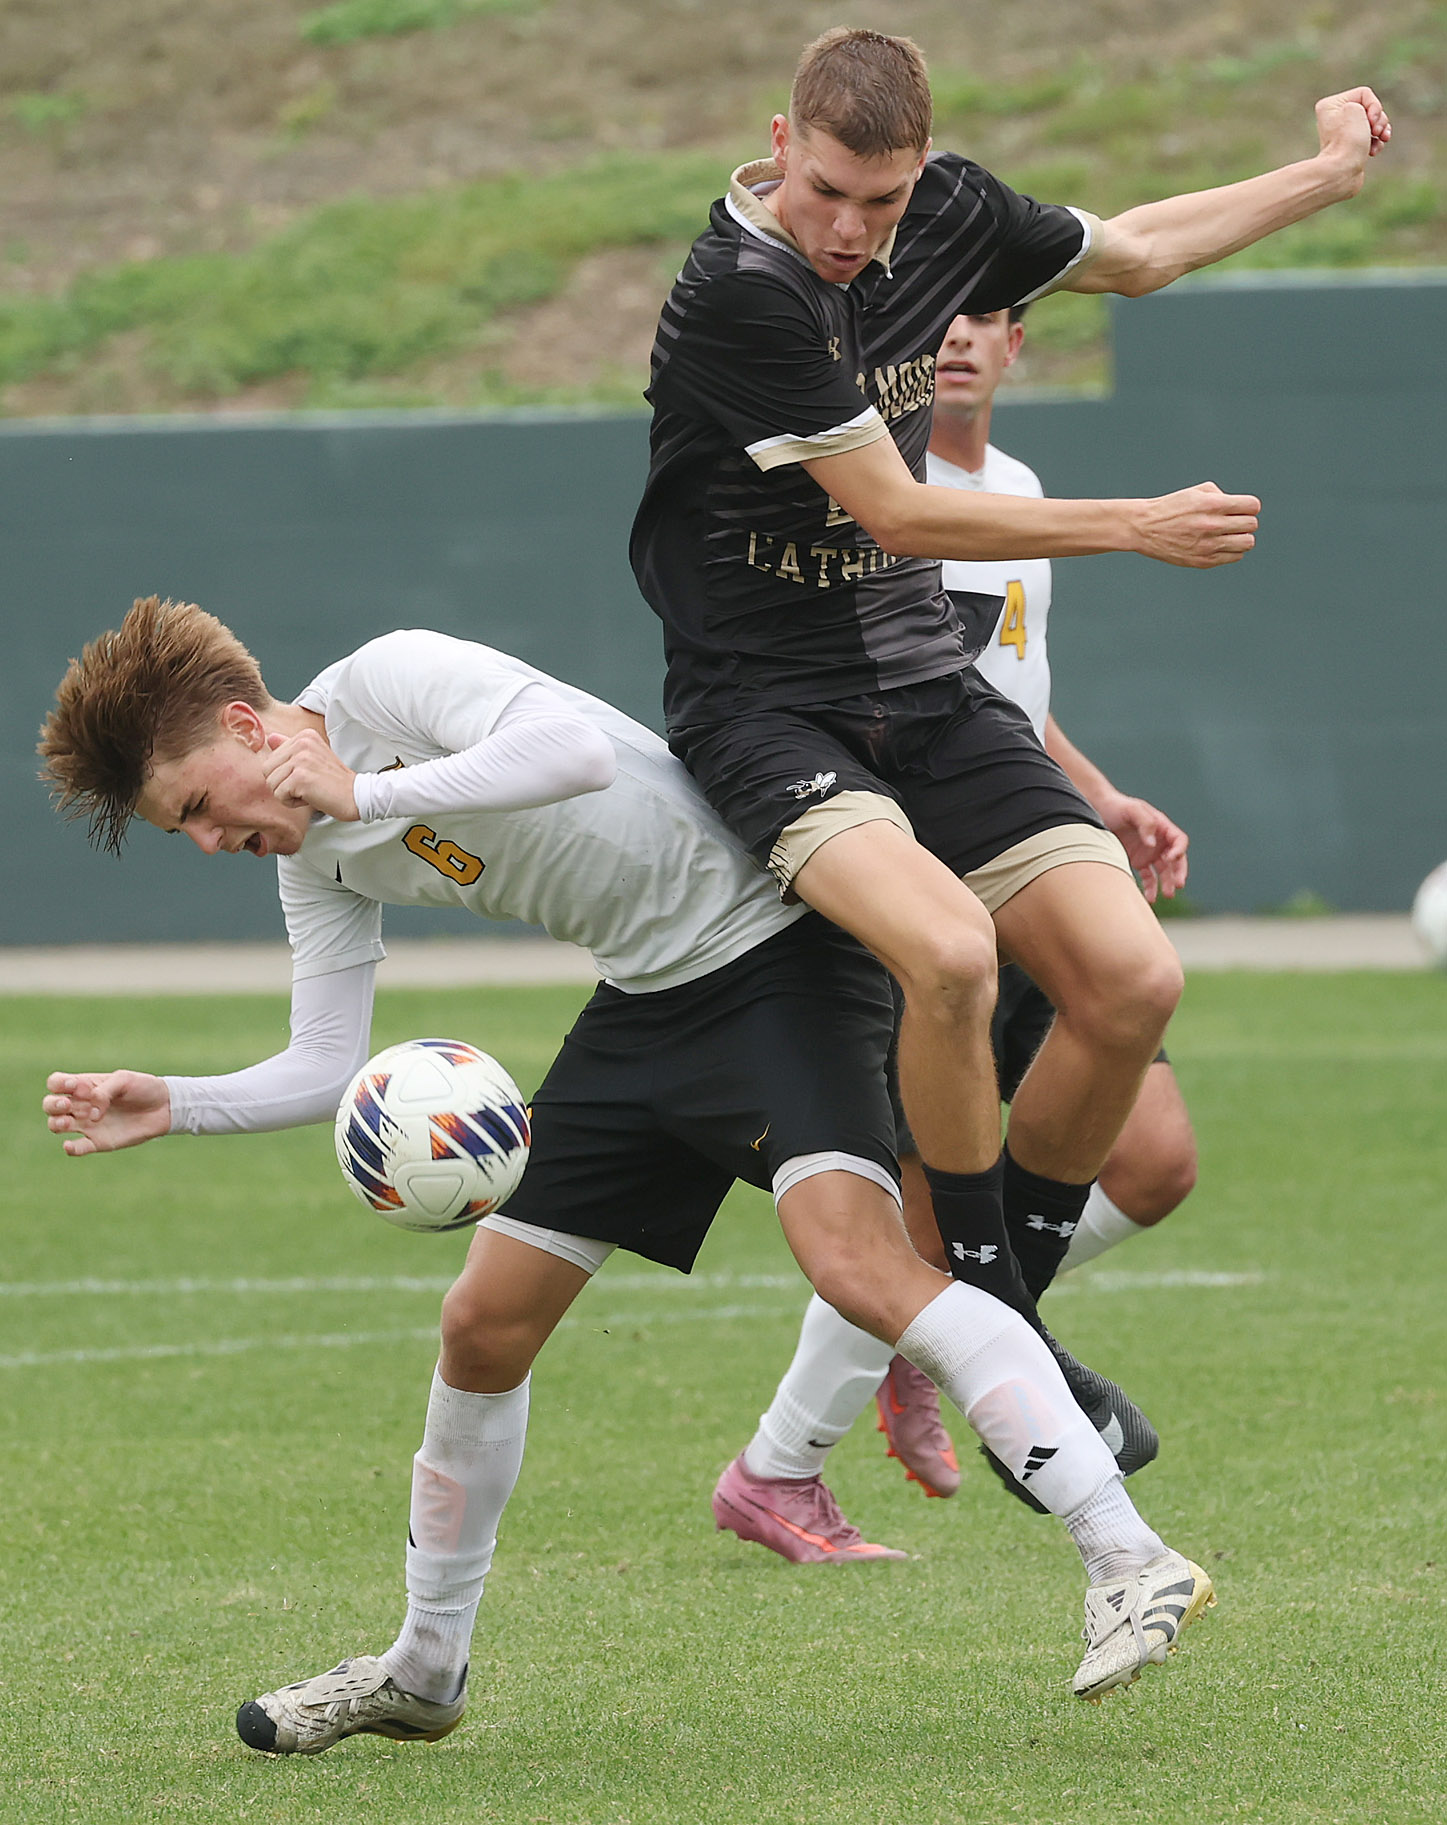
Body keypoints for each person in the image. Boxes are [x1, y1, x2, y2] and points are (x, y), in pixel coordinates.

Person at [38, 599, 1211, 1753]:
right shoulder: (312, 860)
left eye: (195, 806)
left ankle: (1128, 1558)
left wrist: (374, 791)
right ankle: (426, 1667)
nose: (205, 841)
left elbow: (574, 749)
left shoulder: (388, 679)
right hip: (641, 1006)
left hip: (777, 960)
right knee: (482, 1327)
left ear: (249, 727)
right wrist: (174, 1104)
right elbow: (326, 1060)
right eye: (176, 831)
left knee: (861, 1266)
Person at [630, 27, 1386, 1420]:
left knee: (1129, 981)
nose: (853, 229)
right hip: (765, 703)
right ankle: (995, 1346)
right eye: (828, 193)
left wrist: (1324, 176)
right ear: (780, 141)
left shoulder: (952, 211)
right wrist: (1137, 523)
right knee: (951, 954)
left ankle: (985, 1323)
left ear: (921, 170)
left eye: (885, 199)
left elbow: (1141, 250)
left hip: (924, 685)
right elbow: (900, 511)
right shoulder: (739, 291)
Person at [714, 305, 1201, 1561]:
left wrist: (1093, 795)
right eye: (945, 319)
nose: (967, 340)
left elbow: (1000, 696)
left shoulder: (1019, 490)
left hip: (1022, 850)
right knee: (930, 1209)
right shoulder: (873, 486)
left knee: (1151, 1163)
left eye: (994, 319)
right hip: (927, 882)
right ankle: (781, 1468)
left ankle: (943, 1322)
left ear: (1023, 344)